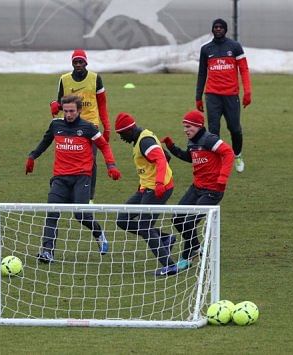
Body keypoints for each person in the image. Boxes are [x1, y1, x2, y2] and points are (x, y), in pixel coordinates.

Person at [26, 95, 121, 263]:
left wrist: (111, 165)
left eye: (72, 111)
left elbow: (104, 145)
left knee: (80, 214)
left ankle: (98, 233)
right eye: (66, 111)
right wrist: (33, 156)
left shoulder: (88, 128)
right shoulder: (56, 125)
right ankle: (47, 252)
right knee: (52, 213)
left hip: (81, 177)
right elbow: (45, 141)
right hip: (60, 178)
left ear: (79, 111)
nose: (68, 114)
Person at [161, 110, 234, 271]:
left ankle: (187, 257)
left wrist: (222, 177)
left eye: (188, 127)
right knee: (177, 218)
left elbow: (228, 153)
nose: (185, 130)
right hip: (197, 188)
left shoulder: (209, 139)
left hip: (212, 190)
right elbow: (190, 157)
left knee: (189, 223)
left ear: (198, 126)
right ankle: (196, 248)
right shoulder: (193, 141)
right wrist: (171, 146)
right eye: (184, 127)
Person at [114, 112, 177, 276]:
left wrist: (158, 183)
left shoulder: (145, 141)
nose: (121, 138)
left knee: (144, 226)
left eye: (121, 134)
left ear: (129, 130)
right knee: (122, 219)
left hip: (158, 189)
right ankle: (164, 239)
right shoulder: (141, 139)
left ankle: (170, 266)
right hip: (146, 188)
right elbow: (167, 156)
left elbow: (162, 160)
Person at [49, 49, 111, 202]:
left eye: (80, 62)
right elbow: (60, 103)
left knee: (91, 160)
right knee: (69, 158)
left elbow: (102, 105)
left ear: (86, 62)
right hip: (70, 124)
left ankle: (89, 196)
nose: (78, 65)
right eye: (75, 62)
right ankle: (67, 190)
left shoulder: (96, 78)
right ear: (72, 63)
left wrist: (107, 127)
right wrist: (54, 105)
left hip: (91, 125)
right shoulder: (64, 79)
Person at [195, 18, 252, 173]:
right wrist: (198, 97)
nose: (218, 29)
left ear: (225, 30)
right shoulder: (206, 49)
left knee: (234, 129)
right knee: (213, 129)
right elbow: (201, 74)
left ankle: (237, 155)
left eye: (221, 27)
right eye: (215, 27)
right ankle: (216, 159)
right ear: (212, 29)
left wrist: (247, 92)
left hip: (231, 95)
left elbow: (244, 70)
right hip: (212, 95)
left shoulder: (235, 47)